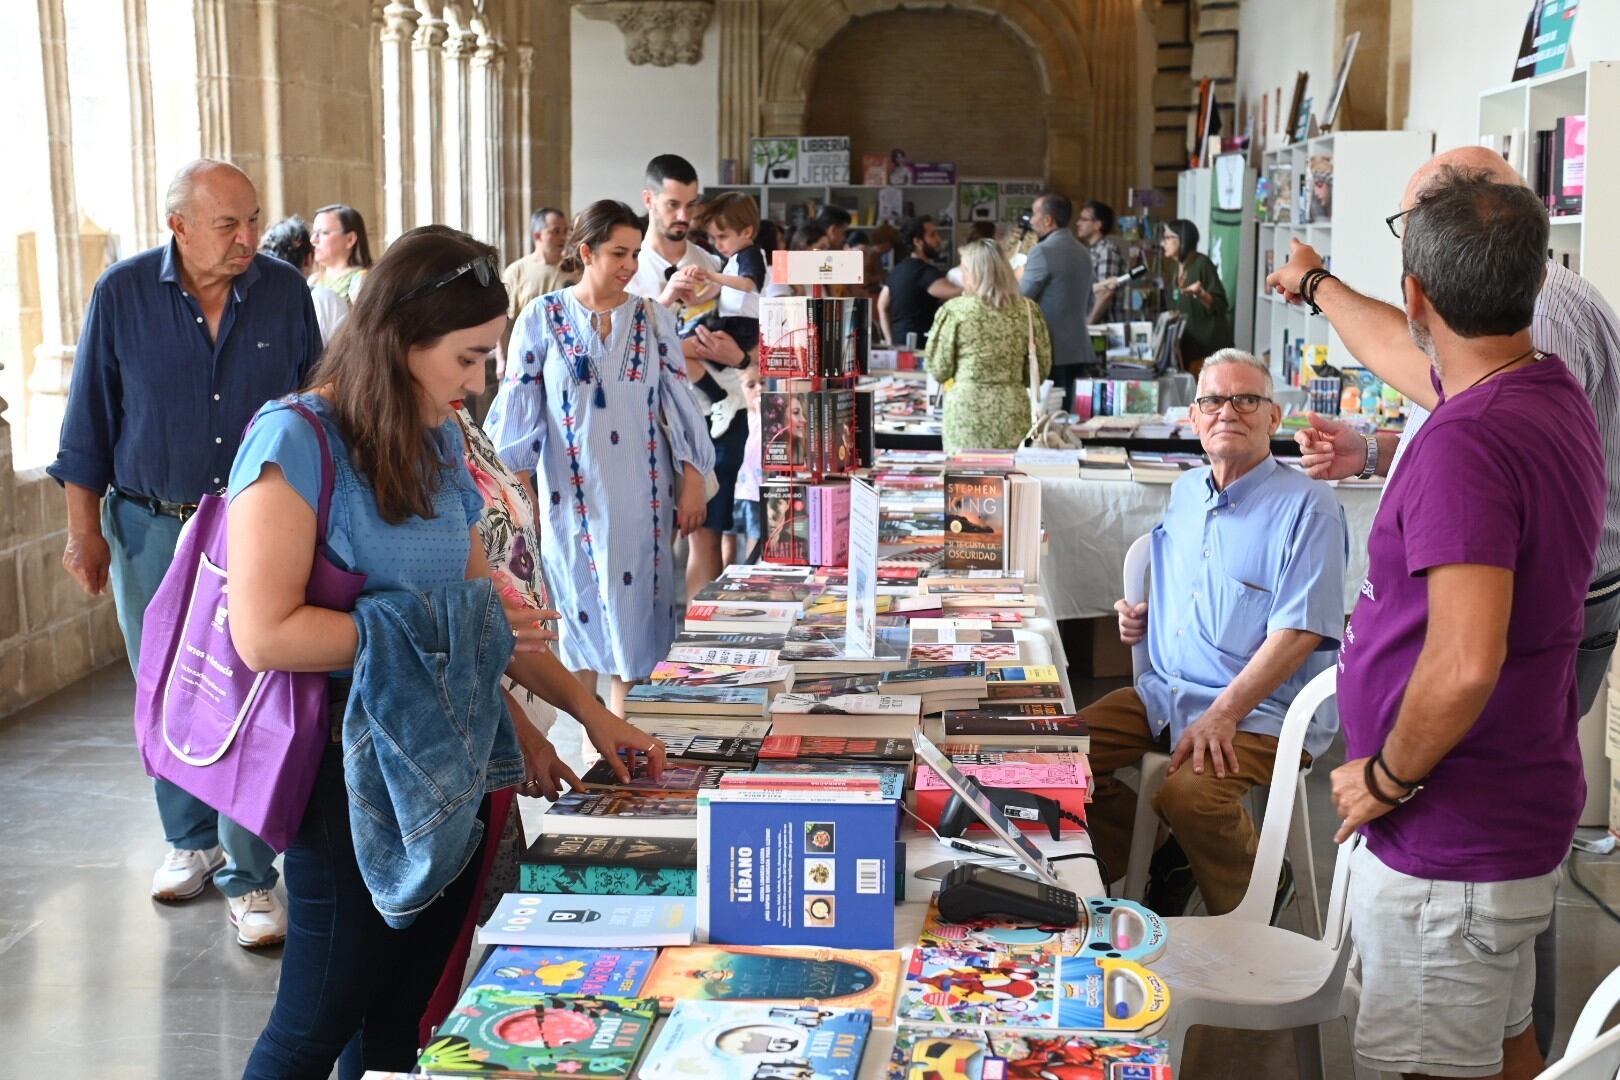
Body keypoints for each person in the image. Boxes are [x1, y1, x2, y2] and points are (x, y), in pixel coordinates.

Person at [229, 225, 662, 1079]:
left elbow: (481, 623)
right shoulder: (293, 441)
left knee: (401, 1014)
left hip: (446, 758)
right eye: (466, 358)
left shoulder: (437, 443)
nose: (478, 382)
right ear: (398, 340)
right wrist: (419, 628)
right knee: (319, 1014)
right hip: (339, 772)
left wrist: (585, 715)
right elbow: (265, 632)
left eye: (488, 358)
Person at [1269, 146, 1620, 1058]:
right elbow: (1404, 356)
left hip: (1448, 841)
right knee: (1504, 1043)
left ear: (1419, 295)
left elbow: (1464, 662)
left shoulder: (1472, 438)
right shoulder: (1542, 387)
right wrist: (1320, 290)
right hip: (1505, 814)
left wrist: (1385, 776)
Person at [48, 158, 321, 947]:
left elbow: (314, 405)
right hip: (147, 526)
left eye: (254, 221)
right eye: (228, 224)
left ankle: (250, 875)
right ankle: (189, 842)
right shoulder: (123, 293)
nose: (248, 239)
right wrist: (83, 533)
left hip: (253, 529)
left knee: (243, 689)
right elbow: (87, 426)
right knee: (166, 686)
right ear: (179, 226)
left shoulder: (282, 290)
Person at [1088, 349, 1347, 919]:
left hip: (1262, 711)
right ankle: (1163, 853)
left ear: (1274, 418)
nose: (1228, 411)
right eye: (1213, 400)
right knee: (1053, 756)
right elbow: (1196, 588)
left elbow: (1301, 631)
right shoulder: (1185, 493)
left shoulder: (1310, 507)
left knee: (1190, 797)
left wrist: (1225, 713)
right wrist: (1145, 616)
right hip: (1167, 694)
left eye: (1246, 399)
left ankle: (1254, 892)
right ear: (1194, 416)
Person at [485, 200, 716, 716]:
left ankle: (625, 757)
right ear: (586, 252)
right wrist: (524, 507)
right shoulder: (541, 319)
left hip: (643, 497)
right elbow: (518, 416)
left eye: (635, 253)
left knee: (637, 630)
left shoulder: (654, 319)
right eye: (619, 253)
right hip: (571, 500)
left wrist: (694, 478)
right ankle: (583, 752)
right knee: (575, 617)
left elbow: (680, 402)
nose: (630, 265)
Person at [924, 239, 1053, 453]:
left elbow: (938, 369)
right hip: (1013, 410)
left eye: (964, 269)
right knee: (1011, 481)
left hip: (965, 413)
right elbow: (1040, 370)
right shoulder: (1028, 311)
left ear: (975, 272)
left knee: (963, 480)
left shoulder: (955, 311)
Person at [1018, 193, 1093, 405]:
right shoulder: (1083, 251)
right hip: (1079, 349)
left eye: (1034, 215)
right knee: (1072, 421)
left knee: (1050, 421)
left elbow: (1021, 299)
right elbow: (1090, 300)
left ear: (1048, 220)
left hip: (1052, 351)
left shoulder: (1042, 252)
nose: (1031, 221)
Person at [499, 206, 578, 367]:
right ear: (537, 235)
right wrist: (501, 359)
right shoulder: (516, 271)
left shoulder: (575, 271)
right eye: (555, 231)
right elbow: (502, 319)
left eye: (565, 231)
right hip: (525, 356)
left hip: (566, 358)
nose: (563, 237)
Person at [260, 215, 349, 344]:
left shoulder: (248, 302)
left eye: (324, 233)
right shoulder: (326, 301)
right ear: (309, 258)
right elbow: (345, 356)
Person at [1160, 218, 1232, 371]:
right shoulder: (1174, 268)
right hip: (1186, 347)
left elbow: (1220, 304)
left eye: (1167, 238)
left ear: (1183, 239)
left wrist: (1201, 294)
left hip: (1208, 350)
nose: (1163, 243)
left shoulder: (1202, 264)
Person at [878, 216, 960, 348]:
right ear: (918, 241)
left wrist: (889, 340)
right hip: (920, 348)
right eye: (933, 235)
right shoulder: (925, 272)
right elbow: (956, 293)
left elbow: (882, 305)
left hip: (898, 345)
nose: (939, 240)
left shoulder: (896, 270)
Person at [309, 203, 373, 303]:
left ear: (350, 239)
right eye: (313, 233)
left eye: (324, 232)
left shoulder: (361, 281)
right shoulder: (313, 280)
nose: (313, 240)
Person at [1078, 200, 1129, 324]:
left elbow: (1106, 292)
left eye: (1084, 220)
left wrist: (1088, 324)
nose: (1078, 223)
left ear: (1097, 225)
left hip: (1105, 330)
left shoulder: (1107, 251)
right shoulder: (1090, 251)